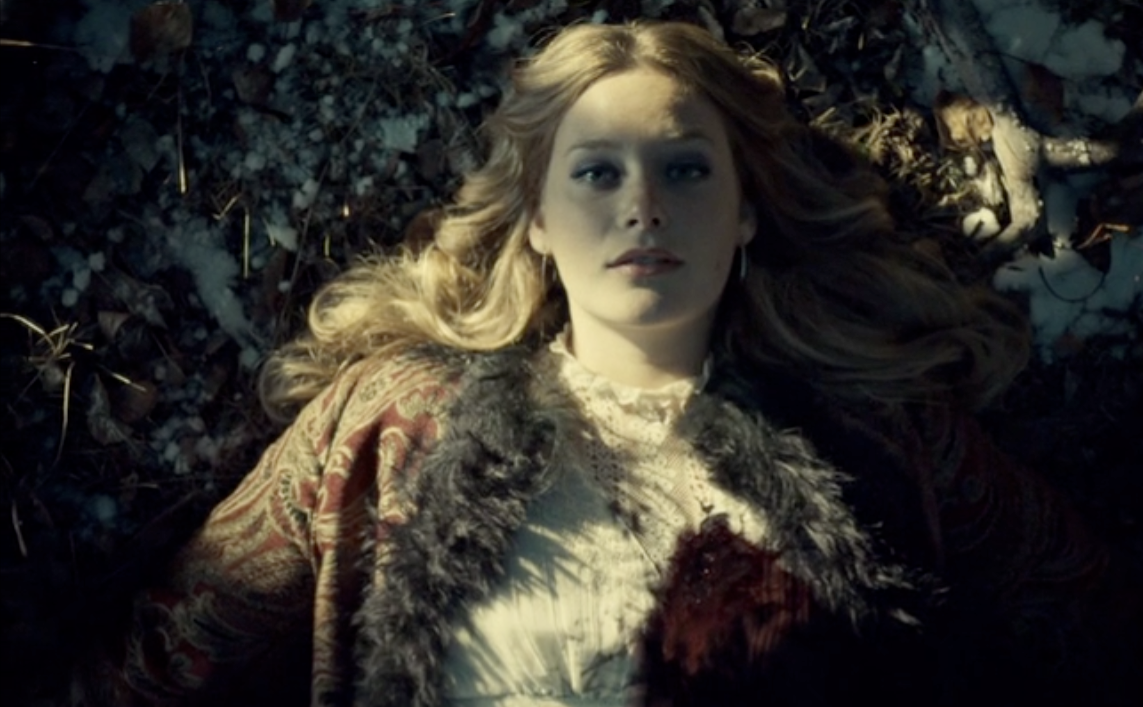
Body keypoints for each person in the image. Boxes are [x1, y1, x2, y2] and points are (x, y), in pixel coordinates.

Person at [75, 19, 1133, 707]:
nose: (643, 205)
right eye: (596, 172)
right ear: (535, 218)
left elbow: (1096, 626)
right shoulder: (395, 416)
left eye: (685, 168)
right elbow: (166, 664)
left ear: (747, 213)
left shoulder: (880, 432)